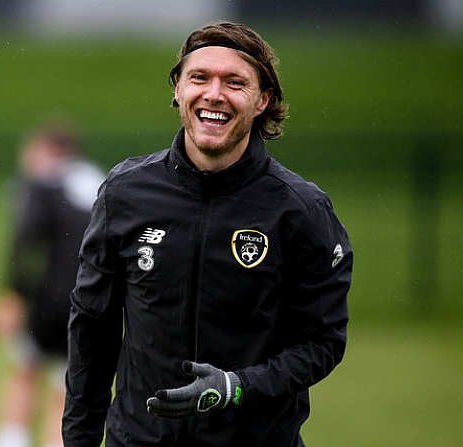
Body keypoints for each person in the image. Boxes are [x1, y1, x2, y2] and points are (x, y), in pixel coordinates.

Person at [63, 21, 353, 447]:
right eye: (199, 77)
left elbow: (322, 342)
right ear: (178, 89)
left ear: (262, 100)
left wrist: (237, 386)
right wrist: (79, 440)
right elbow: (92, 327)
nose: (214, 94)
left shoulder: (301, 210)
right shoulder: (124, 194)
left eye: (235, 82)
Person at [0, 119, 105, 447]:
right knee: (65, 387)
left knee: (24, 370)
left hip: (47, 299)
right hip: (89, 299)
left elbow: (27, 241)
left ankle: (10, 442)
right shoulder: (101, 182)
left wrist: (12, 293)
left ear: (51, 150)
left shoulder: (43, 182)